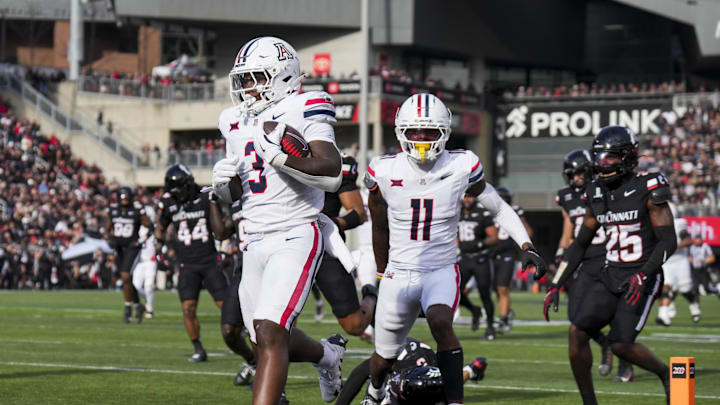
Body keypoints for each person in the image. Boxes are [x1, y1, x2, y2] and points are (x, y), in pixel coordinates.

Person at [362, 93, 546, 405]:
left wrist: (526, 244)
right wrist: (381, 274)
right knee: (384, 357)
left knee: (440, 322)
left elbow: (497, 207)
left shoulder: (462, 165)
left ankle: (455, 402)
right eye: (414, 132)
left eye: (430, 132)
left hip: (441, 268)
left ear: (444, 132)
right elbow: (379, 226)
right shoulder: (382, 169)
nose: (421, 139)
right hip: (398, 271)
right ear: (400, 132)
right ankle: (374, 392)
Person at [213, 36, 346, 405]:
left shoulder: (307, 104)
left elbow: (331, 171)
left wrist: (282, 159)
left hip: (296, 230)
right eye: (242, 80)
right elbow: (240, 190)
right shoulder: (233, 120)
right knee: (263, 339)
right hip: (253, 237)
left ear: (283, 76)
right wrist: (223, 187)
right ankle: (328, 356)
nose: (246, 88)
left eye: (255, 78)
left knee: (270, 332)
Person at [544, 126, 676, 405]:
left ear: (628, 157)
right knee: (577, 331)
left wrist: (644, 274)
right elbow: (580, 243)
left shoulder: (648, 186)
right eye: (599, 156)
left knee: (621, 345)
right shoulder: (595, 191)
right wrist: (556, 282)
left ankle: (665, 374)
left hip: (642, 274)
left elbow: (668, 242)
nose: (602, 163)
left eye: (610, 157)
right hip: (610, 272)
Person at [155, 163, 229, 363]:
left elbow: (221, 226)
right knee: (188, 308)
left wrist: (224, 249)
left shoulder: (205, 197)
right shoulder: (169, 202)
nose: (178, 195)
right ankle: (198, 348)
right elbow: (160, 227)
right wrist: (158, 248)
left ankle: (238, 339)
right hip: (187, 264)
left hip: (209, 261)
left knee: (226, 307)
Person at [553, 150, 615, 376]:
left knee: (613, 314)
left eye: (580, 172)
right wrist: (561, 254)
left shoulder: (603, 189)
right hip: (581, 258)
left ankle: (623, 359)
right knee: (575, 315)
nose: (577, 177)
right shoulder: (566, 195)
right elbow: (567, 229)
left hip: (607, 256)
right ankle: (604, 343)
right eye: (573, 174)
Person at [311, 152, 378, 338]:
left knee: (355, 325)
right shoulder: (277, 153)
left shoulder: (337, 162)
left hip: (324, 246)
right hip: (283, 243)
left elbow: (358, 213)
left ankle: (371, 294)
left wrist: (331, 224)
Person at [336, 338, 488, 405]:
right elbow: (361, 372)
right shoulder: (397, 383)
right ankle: (472, 369)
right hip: (406, 359)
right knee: (451, 383)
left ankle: (471, 369)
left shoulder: (436, 391)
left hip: (425, 365)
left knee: (448, 384)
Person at [206, 196, 257, 386]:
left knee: (266, 330)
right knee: (229, 331)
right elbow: (220, 233)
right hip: (243, 272)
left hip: (270, 269)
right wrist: (213, 202)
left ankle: (324, 356)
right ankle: (253, 363)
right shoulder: (236, 203)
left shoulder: (266, 194)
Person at [484, 186, 532, 333]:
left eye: (503, 198)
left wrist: (519, 219)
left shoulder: (514, 211)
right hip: (491, 254)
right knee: (495, 289)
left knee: (503, 287)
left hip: (507, 253)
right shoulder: (487, 212)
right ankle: (505, 313)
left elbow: (528, 232)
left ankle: (504, 318)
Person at [105, 186, 152, 323]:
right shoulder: (113, 210)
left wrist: (141, 240)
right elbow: (107, 229)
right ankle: (138, 305)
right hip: (119, 247)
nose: (124, 200)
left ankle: (127, 308)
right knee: (127, 279)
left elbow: (149, 226)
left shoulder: (137, 209)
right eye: (122, 198)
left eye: (126, 198)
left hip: (132, 247)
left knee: (125, 275)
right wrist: (110, 240)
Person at [457, 194, 496, 339]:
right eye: (465, 197)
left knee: (484, 293)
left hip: (480, 258)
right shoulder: (457, 212)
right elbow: (455, 235)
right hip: (465, 259)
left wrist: (480, 244)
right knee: (455, 291)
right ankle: (474, 310)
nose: (468, 200)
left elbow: (494, 237)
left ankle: (490, 326)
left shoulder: (482, 214)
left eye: (470, 197)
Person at [656, 202, 698, 326]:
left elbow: (689, 240)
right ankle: (663, 315)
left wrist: (673, 247)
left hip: (680, 260)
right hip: (666, 261)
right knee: (665, 287)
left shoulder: (679, 224)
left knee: (686, 289)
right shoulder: (655, 224)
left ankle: (694, 304)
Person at [131, 225, 157, 319]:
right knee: (135, 288)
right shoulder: (136, 227)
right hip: (139, 263)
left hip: (150, 262)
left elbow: (158, 241)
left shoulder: (153, 228)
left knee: (148, 286)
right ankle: (148, 299)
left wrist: (157, 254)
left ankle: (150, 309)